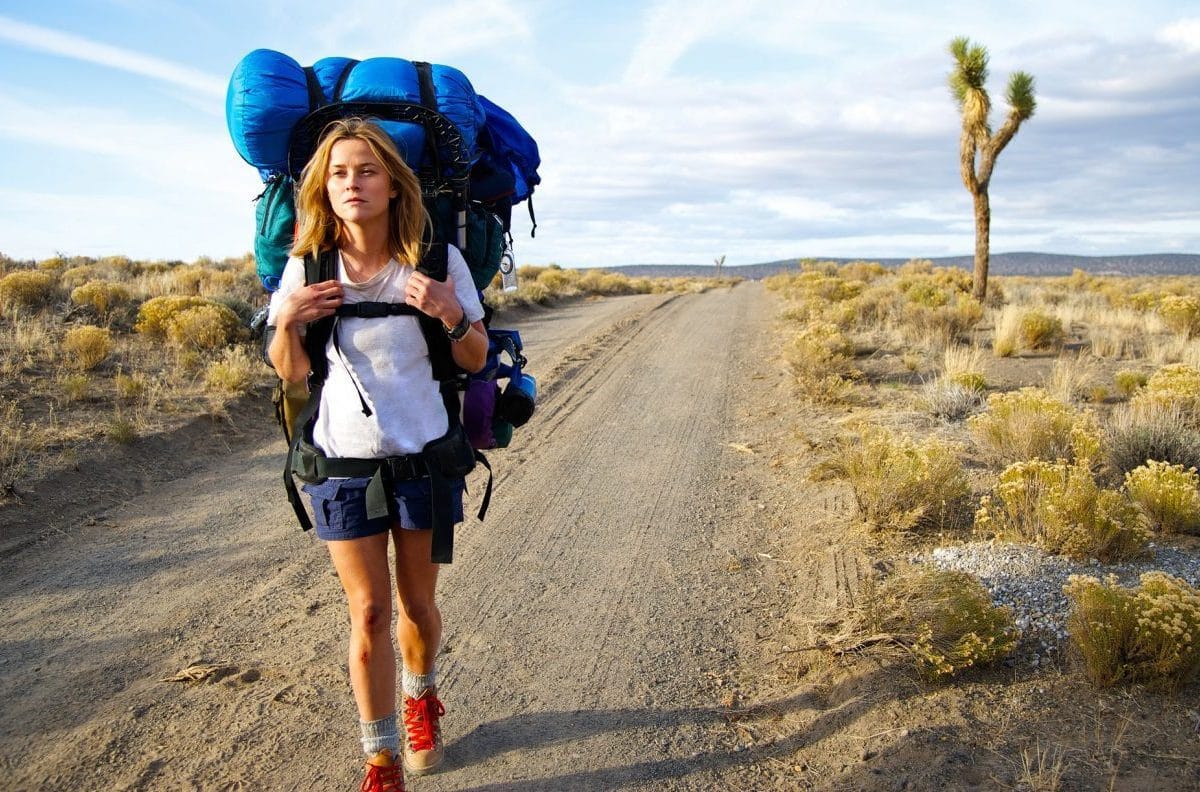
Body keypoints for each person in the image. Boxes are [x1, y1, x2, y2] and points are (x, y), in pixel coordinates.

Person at [267, 117, 487, 791]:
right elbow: (291, 375)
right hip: (342, 464)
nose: (352, 183)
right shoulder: (307, 267)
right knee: (367, 613)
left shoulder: (438, 262)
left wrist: (450, 312)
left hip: (423, 460)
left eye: (366, 170)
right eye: (338, 173)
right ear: (322, 189)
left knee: (417, 605)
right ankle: (382, 761)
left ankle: (422, 702)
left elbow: (475, 357)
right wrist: (288, 319)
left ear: (393, 185)